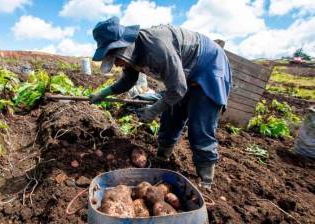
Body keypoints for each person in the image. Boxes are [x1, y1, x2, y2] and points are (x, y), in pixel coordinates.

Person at [89, 17, 232, 189]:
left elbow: (178, 89)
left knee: (199, 127)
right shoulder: (132, 54)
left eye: (115, 59)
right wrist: (104, 93)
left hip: (209, 69)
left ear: (122, 48)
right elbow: (127, 81)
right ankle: (163, 159)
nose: (117, 65)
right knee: (170, 118)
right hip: (183, 77)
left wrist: (153, 110)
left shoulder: (157, 47)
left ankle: (206, 181)